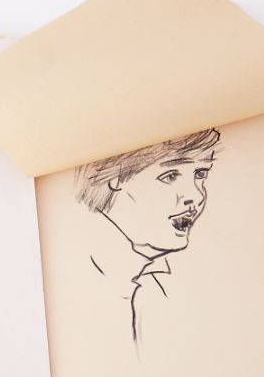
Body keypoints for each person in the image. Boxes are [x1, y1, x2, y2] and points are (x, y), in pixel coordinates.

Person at [73, 128, 221, 343]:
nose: (196, 196)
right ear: (116, 179)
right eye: (170, 176)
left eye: (200, 174)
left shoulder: (159, 278)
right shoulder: (84, 272)